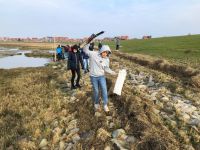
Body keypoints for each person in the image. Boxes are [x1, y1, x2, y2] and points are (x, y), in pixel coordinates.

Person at [83, 44, 116, 112]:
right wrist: (88, 42)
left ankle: (105, 105)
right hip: (93, 76)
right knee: (96, 91)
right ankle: (96, 103)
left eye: (107, 53)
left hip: (101, 76)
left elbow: (106, 68)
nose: (105, 54)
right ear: (101, 51)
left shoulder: (106, 59)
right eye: (104, 52)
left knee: (104, 89)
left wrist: (112, 72)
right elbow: (85, 50)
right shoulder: (93, 54)